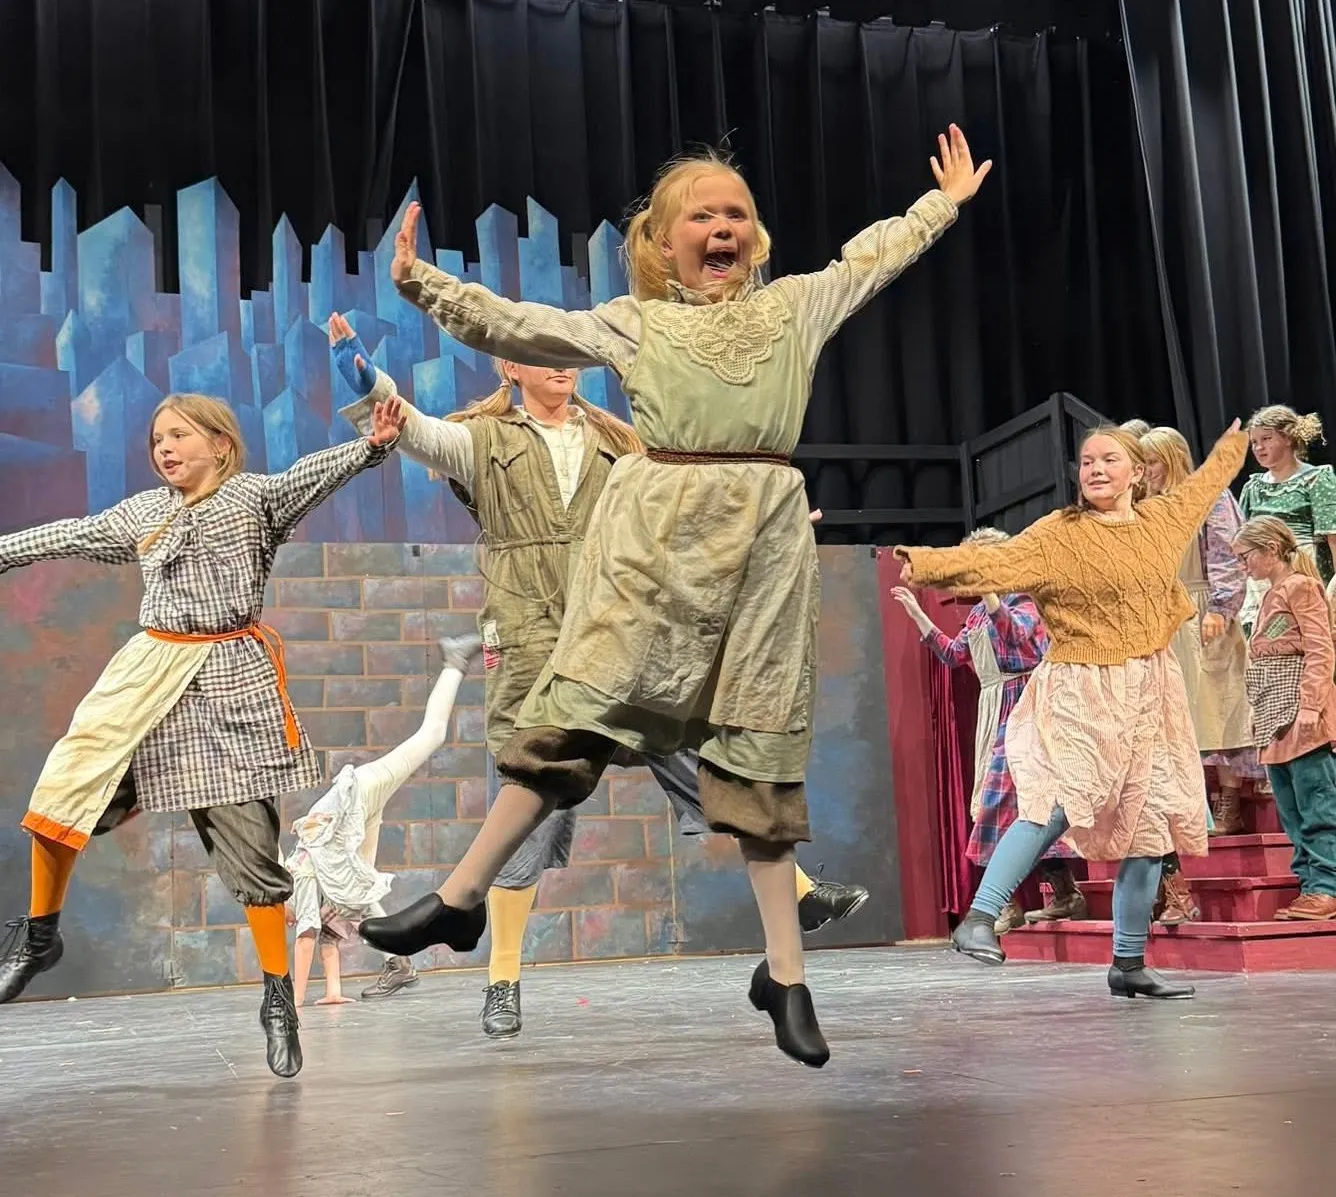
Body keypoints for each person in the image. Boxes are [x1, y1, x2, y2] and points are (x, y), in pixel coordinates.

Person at [358, 125, 990, 1067]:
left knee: (757, 741)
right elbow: (520, 326)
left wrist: (942, 203)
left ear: (758, 237)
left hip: (762, 541)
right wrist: (419, 281)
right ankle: (458, 902)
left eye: (737, 213)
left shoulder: (796, 309)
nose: (723, 225)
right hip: (654, 537)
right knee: (571, 719)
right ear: (662, 241)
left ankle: (786, 974)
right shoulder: (634, 321)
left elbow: (875, 254)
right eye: (702, 214)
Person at [336, 323, 869, 1041]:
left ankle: (793, 904)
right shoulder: (487, 439)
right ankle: (502, 980)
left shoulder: (621, 445)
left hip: (618, 626)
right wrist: (370, 385)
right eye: (545, 355)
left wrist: (765, 525)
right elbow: (422, 435)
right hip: (529, 636)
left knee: (698, 751)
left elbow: (690, 507)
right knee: (531, 800)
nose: (564, 367)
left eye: (571, 356)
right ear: (510, 365)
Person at [0, 349, 403, 1077]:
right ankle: (38, 933)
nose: (164, 448)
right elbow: (66, 533)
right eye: (157, 439)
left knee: (252, 851)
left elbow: (308, 476)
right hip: (149, 675)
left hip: (228, 680)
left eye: (179, 434)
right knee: (64, 793)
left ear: (219, 442)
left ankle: (279, 994)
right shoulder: (146, 513)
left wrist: (369, 447)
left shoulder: (253, 498)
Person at [895, 421, 1248, 1000]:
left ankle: (1128, 963)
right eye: (1087, 462)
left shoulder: (1162, 522)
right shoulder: (1061, 535)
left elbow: (1204, 485)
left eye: (1109, 459)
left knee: (1147, 824)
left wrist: (1233, 447)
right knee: (1060, 802)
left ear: (1137, 472)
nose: (1096, 470)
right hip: (1082, 685)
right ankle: (979, 918)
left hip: (1152, 687)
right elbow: (998, 562)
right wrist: (925, 563)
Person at [891, 529, 1084, 934]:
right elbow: (955, 654)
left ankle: (1025, 899)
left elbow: (1017, 637)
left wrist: (994, 590)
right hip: (994, 708)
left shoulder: (1028, 602)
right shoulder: (979, 611)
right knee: (1004, 807)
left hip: (1027, 704)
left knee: (1017, 803)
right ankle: (1050, 894)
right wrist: (918, 615)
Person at [287, 636, 482, 1006]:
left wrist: (294, 1000)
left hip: (354, 798)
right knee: (358, 896)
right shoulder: (311, 880)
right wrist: (331, 993)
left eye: (284, 918)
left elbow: (307, 936)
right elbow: (324, 932)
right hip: (353, 817)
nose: (289, 922)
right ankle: (398, 963)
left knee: (432, 734)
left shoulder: (298, 884)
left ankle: (454, 662)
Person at [1139, 426, 1255, 927]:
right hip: (1163, 618)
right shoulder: (1147, 508)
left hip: (1203, 605)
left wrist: (1223, 608)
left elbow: (1230, 553)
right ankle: (1201, 805)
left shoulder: (1206, 496)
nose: (1145, 472)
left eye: (1151, 463)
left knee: (1217, 708)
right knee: (1177, 718)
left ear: (1171, 458)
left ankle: (1229, 797)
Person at [1234, 517, 1336, 920]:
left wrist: (1311, 706)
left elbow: (1320, 650)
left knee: (1317, 804)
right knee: (1292, 811)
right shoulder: (1273, 593)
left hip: (1302, 716)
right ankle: (1309, 886)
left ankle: (1326, 887)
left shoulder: (1301, 587)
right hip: (1274, 714)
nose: (1243, 566)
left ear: (1271, 549)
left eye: (1246, 557)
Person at [1238, 406, 1336, 632]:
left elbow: (1332, 536)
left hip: (1301, 565)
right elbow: (1242, 540)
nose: (1258, 447)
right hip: (1260, 573)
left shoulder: (1315, 479)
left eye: (1266, 439)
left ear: (1288, 439)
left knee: (1300, 633)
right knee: (1264, 635)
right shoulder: (1253, 486)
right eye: (1254, 442)